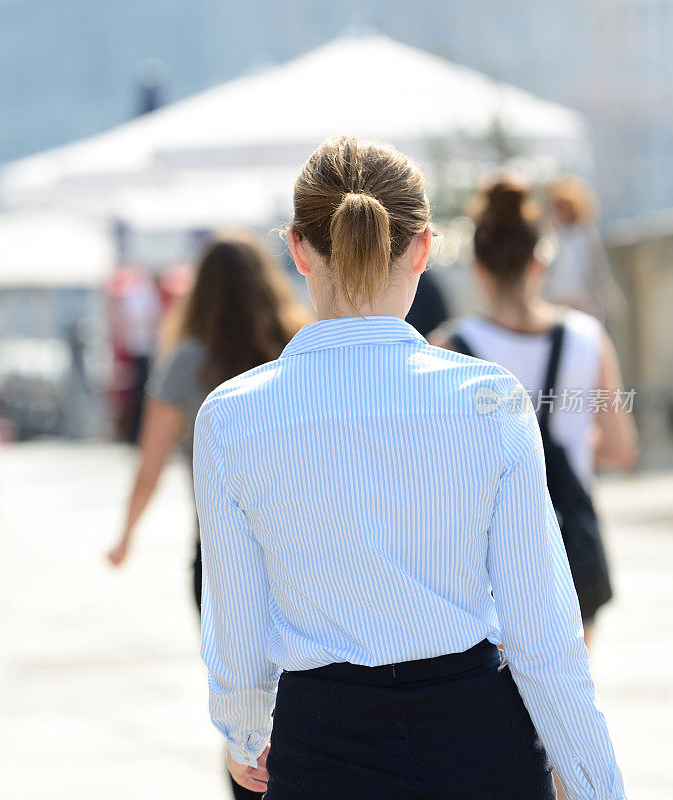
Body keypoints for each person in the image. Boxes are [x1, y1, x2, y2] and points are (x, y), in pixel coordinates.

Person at [193, 137, 628, 800]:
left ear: (299, 248)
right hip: (480, 737)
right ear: (424, 248)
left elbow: (237, 624)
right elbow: (544, 637)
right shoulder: (489, 401)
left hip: (319, 743)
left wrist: (244, 732)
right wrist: (598, 786)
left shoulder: (230, 418)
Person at [107, 231, 311, 800]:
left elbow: (149, 464)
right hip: (303, 544)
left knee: (243, 698)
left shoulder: (186, 359)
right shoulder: (295, 342)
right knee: (310, 683)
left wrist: (125, 535)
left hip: (220, 551)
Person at [429, 175, 638, 653]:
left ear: (477, 265)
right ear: (540, 261)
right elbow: (622, 448)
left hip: (486, 565)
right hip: (571, 553)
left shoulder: (449, 351)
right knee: (569, 706)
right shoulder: (587, 337)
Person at [541, 175, 626, 324]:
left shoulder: (585, 236)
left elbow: (598, 271)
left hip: (585, 307)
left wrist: (609, 302)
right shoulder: (551, 238)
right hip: (558, 308)